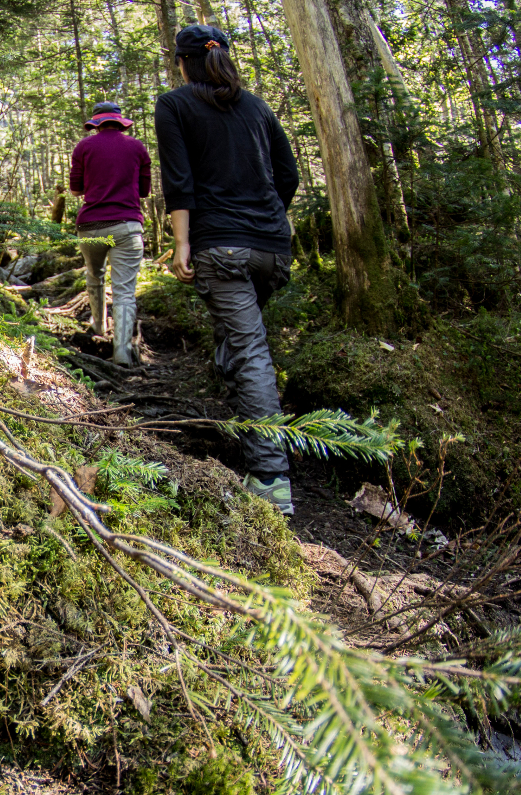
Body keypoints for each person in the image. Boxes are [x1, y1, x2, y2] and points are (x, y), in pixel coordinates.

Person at [154, 25, 300, 515]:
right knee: (241, 340)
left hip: (222, 248)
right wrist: (267, 220)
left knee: (249, 349)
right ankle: (242, 399)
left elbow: (180, 181)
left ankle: (271, 479)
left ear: (183, 62)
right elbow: (289, 174)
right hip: (273, 248)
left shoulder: (173, 105)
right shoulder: (257, 107)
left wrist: (182, 244)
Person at [69, 101, 152, 366]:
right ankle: (122, 352)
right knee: (124, 291)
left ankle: (98, 328)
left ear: (96, 122)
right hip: (127, 227)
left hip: (92, 226)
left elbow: (75, 189)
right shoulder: (137, 147)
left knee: (95, 276)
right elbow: (144, 191)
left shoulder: (84, 147)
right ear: (120, 121)